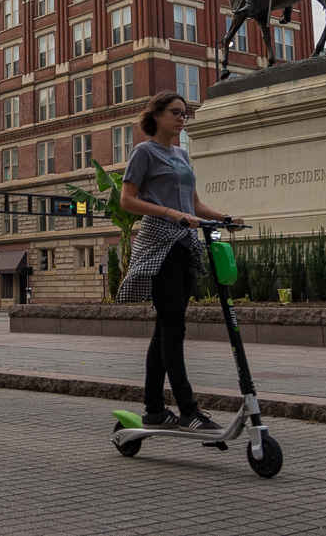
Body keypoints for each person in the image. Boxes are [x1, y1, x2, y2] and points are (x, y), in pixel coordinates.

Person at [117, 91, 245, 430]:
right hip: (158, 246)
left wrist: (224, 218)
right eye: (175, 112)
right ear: (156, 115)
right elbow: (127, 200)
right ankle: (188, 411)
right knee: (173, 328)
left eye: (184, 114)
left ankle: (154, 410)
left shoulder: (182, 155)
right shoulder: (144, 152)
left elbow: (195, 204)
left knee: (165, 329)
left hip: (185, 245)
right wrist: (168, 212)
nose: (181, 118)